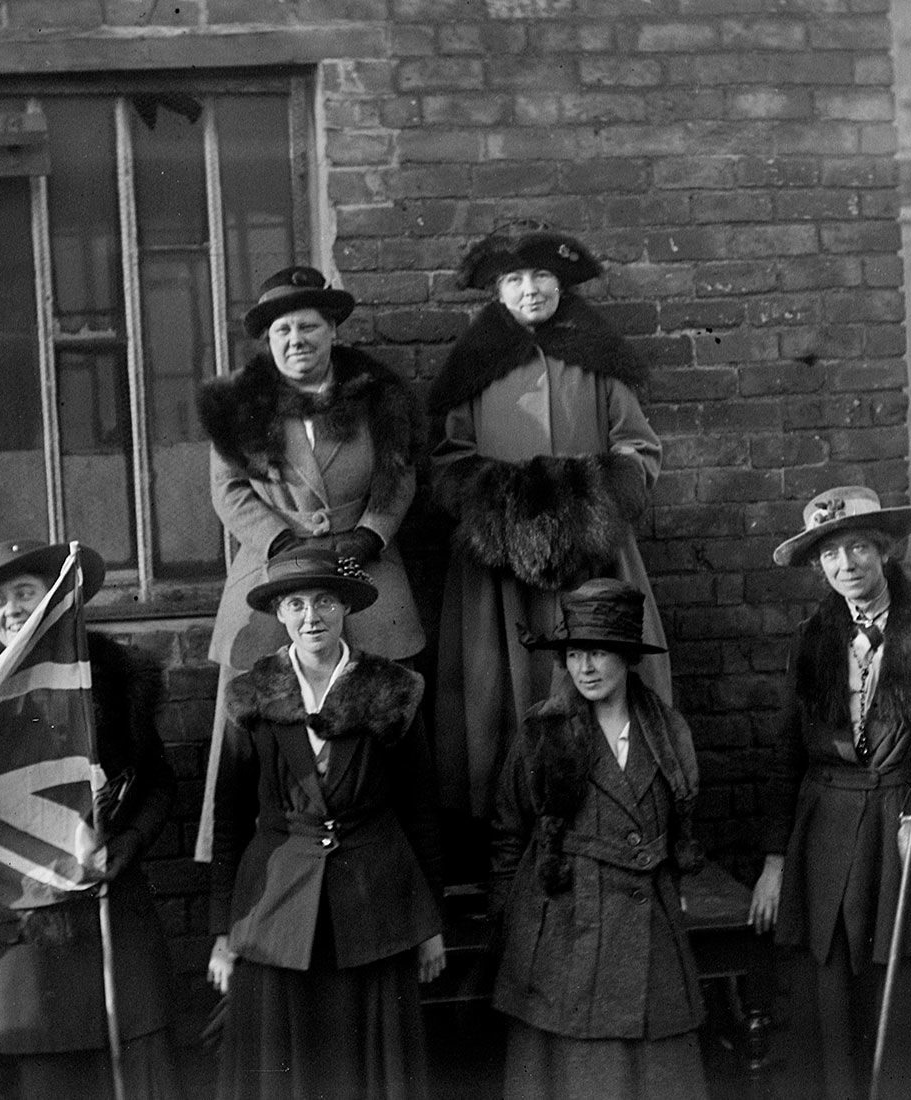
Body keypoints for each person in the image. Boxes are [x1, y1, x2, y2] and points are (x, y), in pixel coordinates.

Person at [430, 223, 670, 825]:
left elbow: (638, 448)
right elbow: (450, 459)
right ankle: (513, 825)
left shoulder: (597, 358)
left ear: (561, 283)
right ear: (496, 293)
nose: (531, 290)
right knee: (507, 682)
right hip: (501, 561)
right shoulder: (474, 366)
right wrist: (501, 512)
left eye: (542, 277)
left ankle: (615, 812)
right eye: (514, 280)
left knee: (603, 672)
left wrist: (594, 503)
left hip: (595, 554)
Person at [0, 538, 182, 1099]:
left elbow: (157, 781)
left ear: (54, 600)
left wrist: (127, 842)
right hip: (22, 939)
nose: (11, 609)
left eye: (25, 593)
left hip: (112, 923)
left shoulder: (110, 680)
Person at [763, 486, 911, 1100]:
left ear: (884, 550)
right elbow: (787, 752)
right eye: (831, 555)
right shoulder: (812, 643)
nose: (846, 566)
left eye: (859, 547)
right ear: (819, 566)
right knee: (836, 995)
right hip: (828, 832)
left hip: (902, 825)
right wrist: (775, 862)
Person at [194, 264, 426, 859]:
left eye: (309, 327)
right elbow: (229, 491)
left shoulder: (379, 398)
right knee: (250, 713)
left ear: (332, 331)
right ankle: (245, 874)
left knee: (384, 705)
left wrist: (372, 534)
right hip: (273, 569)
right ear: (268, 342)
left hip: (363, 566)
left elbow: (399, 476)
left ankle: (389, 859)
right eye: (282, 332)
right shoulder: (239, 406)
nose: (296, 341)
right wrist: (279, 542)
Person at [207, 546, 446, 1100]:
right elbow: (230, 819)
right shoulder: (251, 694)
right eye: (296, 603)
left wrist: (430, 922)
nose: (311, 617)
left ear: (344, 608)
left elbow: (420, 810)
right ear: (280, 614)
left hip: (377, 907)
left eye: (324, 601)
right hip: (274, 912)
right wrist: (224, 932)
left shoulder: (393, 690)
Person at [490, 579, 707, 1100]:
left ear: (628, 657)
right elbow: (507, 837)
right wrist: (513, 932)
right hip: (564, 932)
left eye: (600, 652)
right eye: (574, 653)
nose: (584, 667)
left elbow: (681, 826)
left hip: (648, 931)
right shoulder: (541, 734)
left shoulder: (667, 731)